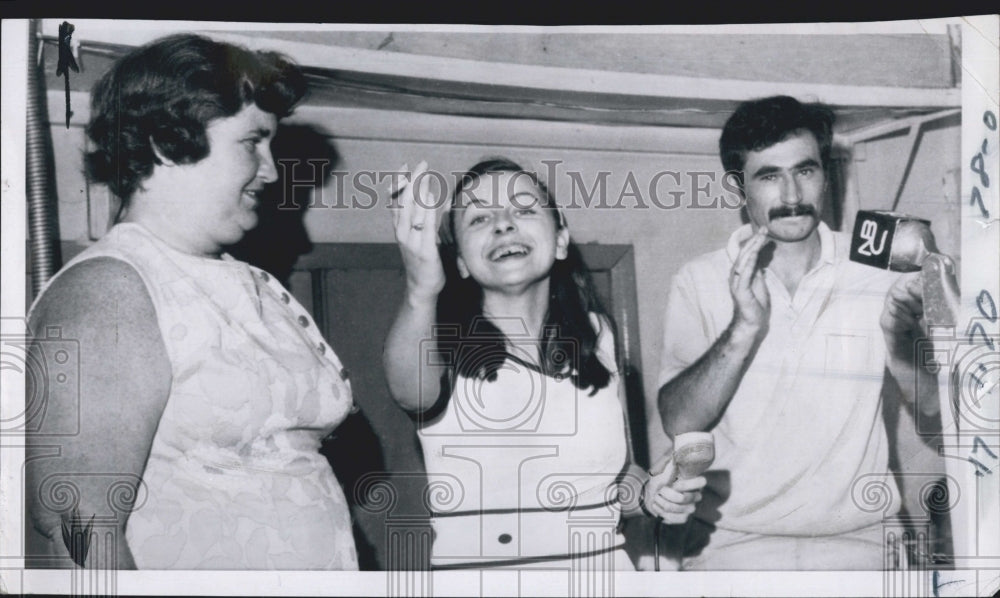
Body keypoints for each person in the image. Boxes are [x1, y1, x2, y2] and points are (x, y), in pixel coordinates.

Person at [25, 34, 358, 570]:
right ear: (165, 142)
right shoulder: (110, 289)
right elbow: (80, 527)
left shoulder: (252, 282)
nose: (272, 170)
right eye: (253, 142)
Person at [655, 95, 938, 570]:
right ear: (737, 188)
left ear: (826, 175)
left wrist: (902, 342)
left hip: (863, 546)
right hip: (732, 548)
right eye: (769, 176)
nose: (791, 196)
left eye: (805, 171)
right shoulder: (698, 278)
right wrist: (744, 327)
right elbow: (679, 421)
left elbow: (932, 407)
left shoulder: (879, 267)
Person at [383, 157, 706, 570]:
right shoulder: (435, 341)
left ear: (560, 241)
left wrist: (650, 494)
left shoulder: (599, 336)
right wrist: (420, 287)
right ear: (461, 262)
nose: (503, 223)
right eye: (479, 218)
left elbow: (613, 478)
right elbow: (407, 391)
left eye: (523, 209)